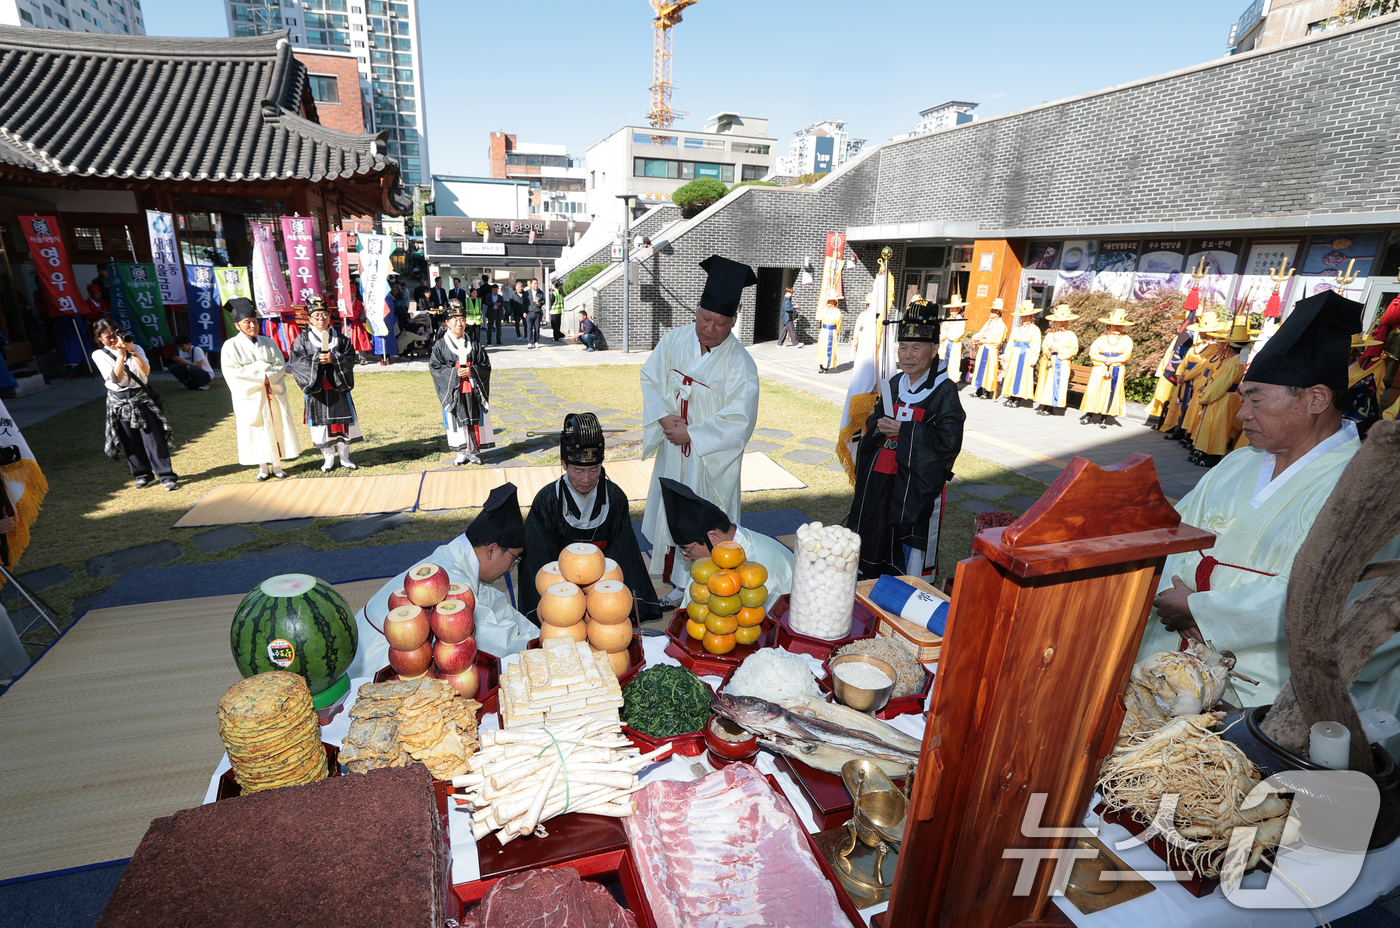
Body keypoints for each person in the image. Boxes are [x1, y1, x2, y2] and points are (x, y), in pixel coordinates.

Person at [1138, 290, 1400, 710]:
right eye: (1243, 399)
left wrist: (1203, 612)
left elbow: (1352, 605)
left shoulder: (1367, 489)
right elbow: (1169, 534)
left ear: (1316, 399)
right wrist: (1170, 598)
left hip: (1264, 695)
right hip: (1166, 663)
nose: (1242, 414)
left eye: (1255, 399)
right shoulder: (1238, 462)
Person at [640, 255, 760, 600]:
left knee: (703, 516)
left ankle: (703, 584)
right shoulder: (674, 340)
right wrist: (665, 418)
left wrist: (692, 433)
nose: (710, 328)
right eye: (705, 319)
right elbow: (651, 378)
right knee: (672, 508)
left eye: (721, 324)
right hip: (672, 447)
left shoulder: (740, 364)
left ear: (733, 322)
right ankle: (678, 582)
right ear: (696, 311)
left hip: (706, 458)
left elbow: (740, 419)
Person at [350, 482, 535, 677]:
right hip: (374, 661)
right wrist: (539, 647)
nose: (511, 568)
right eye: (514, 559)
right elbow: (493, 641)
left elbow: (499, 608)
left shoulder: (458, 558)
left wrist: (539, 637)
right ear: (491, 550)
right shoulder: (450, 581)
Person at [846, 299, 966, 581]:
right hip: (881, 477)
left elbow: (949, 441)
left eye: (917, 348)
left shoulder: (945, 391)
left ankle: (905, 586)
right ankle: (869, 581)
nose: (908, 355)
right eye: (903, 347)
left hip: (914, 483)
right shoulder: (894, 383)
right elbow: (875, 419)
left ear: (934, 350)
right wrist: (879, 425)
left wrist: (906, 431)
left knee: (905, 544)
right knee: (874, 531)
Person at [520, 414, 661, 625]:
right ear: (564, 464)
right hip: (561, 582)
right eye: (578, 471)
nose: (586, 479)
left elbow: (622, 552)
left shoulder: (614, 497)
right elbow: (539, 557)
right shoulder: (547, 499)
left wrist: (598, 586)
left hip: (602, 580)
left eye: (594, 470)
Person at [658, 476, 792, 611]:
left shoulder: (756, 570)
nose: (686, 558)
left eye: (687, 550)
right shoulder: (713, 557)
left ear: (713, 537)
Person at [221, 297, 302, 480]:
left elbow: (279, 365)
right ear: (237, 325)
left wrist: (268, 374)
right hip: (251, 396)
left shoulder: (268, 342)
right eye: (247, 322)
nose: (252, 326)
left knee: (277, 425)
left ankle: (277, 465)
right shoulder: (230, 346)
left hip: (271, 391)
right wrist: (260, 372)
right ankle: (263, 466)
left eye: (254, 321)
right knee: (256, 429)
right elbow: (232, 373)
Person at [93, 319, 177, 490]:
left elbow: (145, 372)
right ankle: (143, 475)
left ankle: (166, 476)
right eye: (107, 337)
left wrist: (132, 351)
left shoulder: (136, 347)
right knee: (130, 440)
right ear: (99, 339)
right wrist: (121, 355)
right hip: (119, 401)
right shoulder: (99, 355)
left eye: (114, 335)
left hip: (141, 397)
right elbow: (116, 378)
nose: (113, 340)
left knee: (154, 439)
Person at [286, 297, 361, 472]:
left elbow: (351, 358)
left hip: (338, 387)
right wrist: (316, 360)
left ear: (329, 316)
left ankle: (345, 457)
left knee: (343, 424)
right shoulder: (302, 340)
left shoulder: (340, 338)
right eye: (317, 315)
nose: (321, 318)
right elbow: (295, 362)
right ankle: (328, 459)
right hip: (317, 388)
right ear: (309, 319)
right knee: (321, 426)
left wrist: (334, 358)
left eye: (325, 314)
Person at [430, 300, 492, 466]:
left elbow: (485, 364)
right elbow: (435, 368)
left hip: (472, 387)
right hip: (454, 389)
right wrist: (453, 373)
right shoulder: (440, 346)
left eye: (462, 320)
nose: (459, 323)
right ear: (447, 322)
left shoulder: (473, 344)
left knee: (473, 419)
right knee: (456, 421)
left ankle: (473, 452)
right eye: (455, 320)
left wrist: (472, 371)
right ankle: (460, 453)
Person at [1190, 317, 1250, 467]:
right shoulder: (1232, 361)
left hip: (1222, 398)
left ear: (1229, 347)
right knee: (1211, 426)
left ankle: (1214, 456)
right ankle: (1205, 451)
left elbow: (1220, 385)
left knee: (1218, 427)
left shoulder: (1233, 364)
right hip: (1219, 397)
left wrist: (1206, 397)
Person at [1078, 308, 1134, 428]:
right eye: (1115, 325)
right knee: (1094, 390)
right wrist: (1104, 359)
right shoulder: (1101, 339)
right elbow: (1093, 353)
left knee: (1110, 392)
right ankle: (1089, 414)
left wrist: (1113, 360)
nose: (1117, 328)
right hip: (1100, 368)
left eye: (1120, 326)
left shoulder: (1127, 340)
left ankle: (1104, 417)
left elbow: (1126, 355)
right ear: (1109, 326)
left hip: (1116, 369)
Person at [1033, 306, 1079, 415]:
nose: (1062, 323)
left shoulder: (1071, 335)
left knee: (1057, 383)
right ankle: (1045, 404)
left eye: (1064, 321)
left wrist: (1060, 350)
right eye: (1060, 321)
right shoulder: (1050, 334)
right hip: (1050, 362)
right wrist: (1047, 352)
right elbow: (1045, 346)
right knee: (1048, 383)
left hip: (1062, 363)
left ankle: (1051, 407)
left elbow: (1073, 350)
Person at [1000, 301, 1042, 406]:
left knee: (1023, 376)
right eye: (1022, 316)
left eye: (1026, 316)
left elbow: (1036, 345)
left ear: (1031, 316)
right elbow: (1010, 343)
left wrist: (1033, 359)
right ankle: (1011, 396)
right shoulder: (1016, 329)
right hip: (1015, 355)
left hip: (1026, 355)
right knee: (1012, 374)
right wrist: (1006, 357)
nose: (1024, 319)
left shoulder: (1035, 330)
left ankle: (1018, 399)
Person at [969, 298, 1008, 398]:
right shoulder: (988, 323)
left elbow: (997, 340)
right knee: (980, 369)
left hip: (991, 350)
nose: (991, 312)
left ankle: (987, 391)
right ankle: (978, 390)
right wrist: (976, 338)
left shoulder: (1001, 325)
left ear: (998, 313)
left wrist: (984, 340)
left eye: (994, 311)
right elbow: (981, 332)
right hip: (983, 348)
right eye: (991, 310)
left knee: (989, 371)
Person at [937, 294, 965, 380]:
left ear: (958, 309)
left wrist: (948, 331)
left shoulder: (961, 320)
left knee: (952, 363)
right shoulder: (948, 319)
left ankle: (951, 380)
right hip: (945, 344)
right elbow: (943, 330)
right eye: (951, 308)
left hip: (953, 344)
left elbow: (957, 334)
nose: (951, 310)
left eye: (954, 309)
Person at [816, 298, 842, 373]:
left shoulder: (837, 312)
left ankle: (826, 367)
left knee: (829, 349)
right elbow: (822, 321)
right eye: (828, 301)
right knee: (822, 348)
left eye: (830, 301)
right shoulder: (824, 311)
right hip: (824, 331)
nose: (828, 303)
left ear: (834, 302)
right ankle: (821, 366)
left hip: (831, 331)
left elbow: (839, 324)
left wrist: (836, 332)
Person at [524, 277, 545, 348]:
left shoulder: (540, 292)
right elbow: (524, 303)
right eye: (534, 283)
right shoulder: (527, 293)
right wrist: (524, 312)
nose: (536, 285)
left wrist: (540, 303)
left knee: (537, 328)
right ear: (531, 284)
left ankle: (536, 341)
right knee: (529, 328)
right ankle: (530, 342)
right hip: (529, 312)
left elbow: (543, 300)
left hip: (537, 312)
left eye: (537, 283)